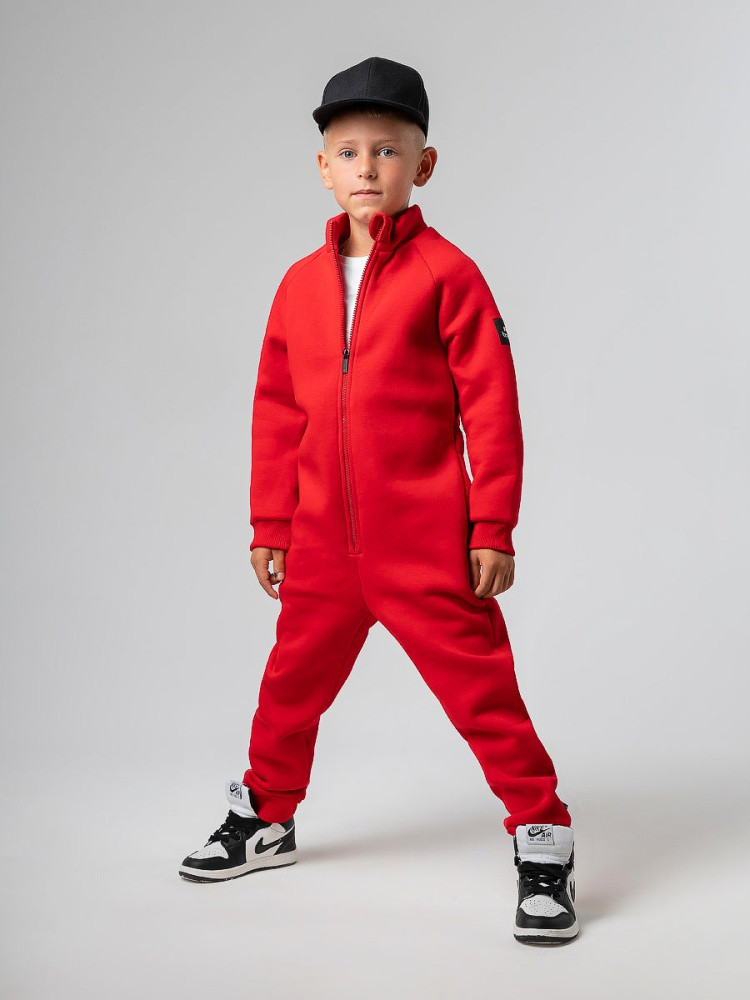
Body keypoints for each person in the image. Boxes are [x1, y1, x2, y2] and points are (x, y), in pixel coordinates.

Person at [179, 55, 579, 945]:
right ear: (323, 167)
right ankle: (266, 815)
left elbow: (491, 408)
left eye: (389, 151)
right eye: (350, 152)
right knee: (289, 687)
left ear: (422, 166)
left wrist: (492, 524)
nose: (369, 167)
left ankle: (542, 835)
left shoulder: (449, 274)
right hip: (322, 543)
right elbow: (276, 412)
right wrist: (271, 523)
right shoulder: (297, 285)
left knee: (482, 693)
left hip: (426, 542)